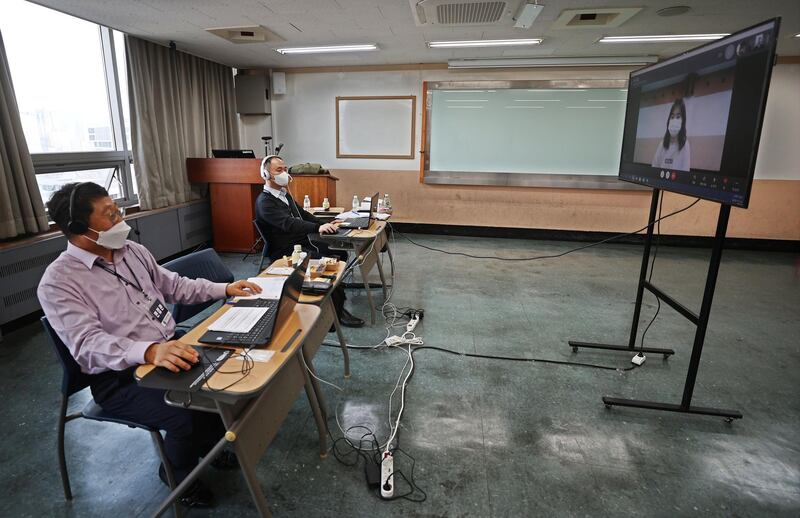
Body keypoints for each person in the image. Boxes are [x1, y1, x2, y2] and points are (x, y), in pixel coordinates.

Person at [37, 182, 263, 508]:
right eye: (110, 214)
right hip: (120, 378)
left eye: (117, 209)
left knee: (228, 382)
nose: (121, 219)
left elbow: (174, 286)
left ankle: (207, 447)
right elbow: (87, 344)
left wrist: (225, 289)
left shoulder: (133, 252)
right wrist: (149, 351)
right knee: (186, 414)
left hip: (168, 349)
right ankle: (177, 474)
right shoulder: (59, 282)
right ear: (77, 229)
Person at [254, 155, 364, 328]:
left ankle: (335, 297)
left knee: (339, 254)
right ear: (266, 174)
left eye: (285, 169)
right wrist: (316, 229)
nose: (284, 173)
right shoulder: (265, 202)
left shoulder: (284, 195)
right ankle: (335, 312)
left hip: (301, 244)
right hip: (285, 251)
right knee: (327, 262)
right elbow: (288, 223)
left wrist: (324, 224)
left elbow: (303, 215)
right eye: (278, 170)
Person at [652, 98, 691, 172]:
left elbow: (685, 172)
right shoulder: (662, 144)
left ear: (683, 121)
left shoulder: (685, 145)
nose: (674, 120)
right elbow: (655, 165)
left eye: (678, 117)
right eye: (672, 117)